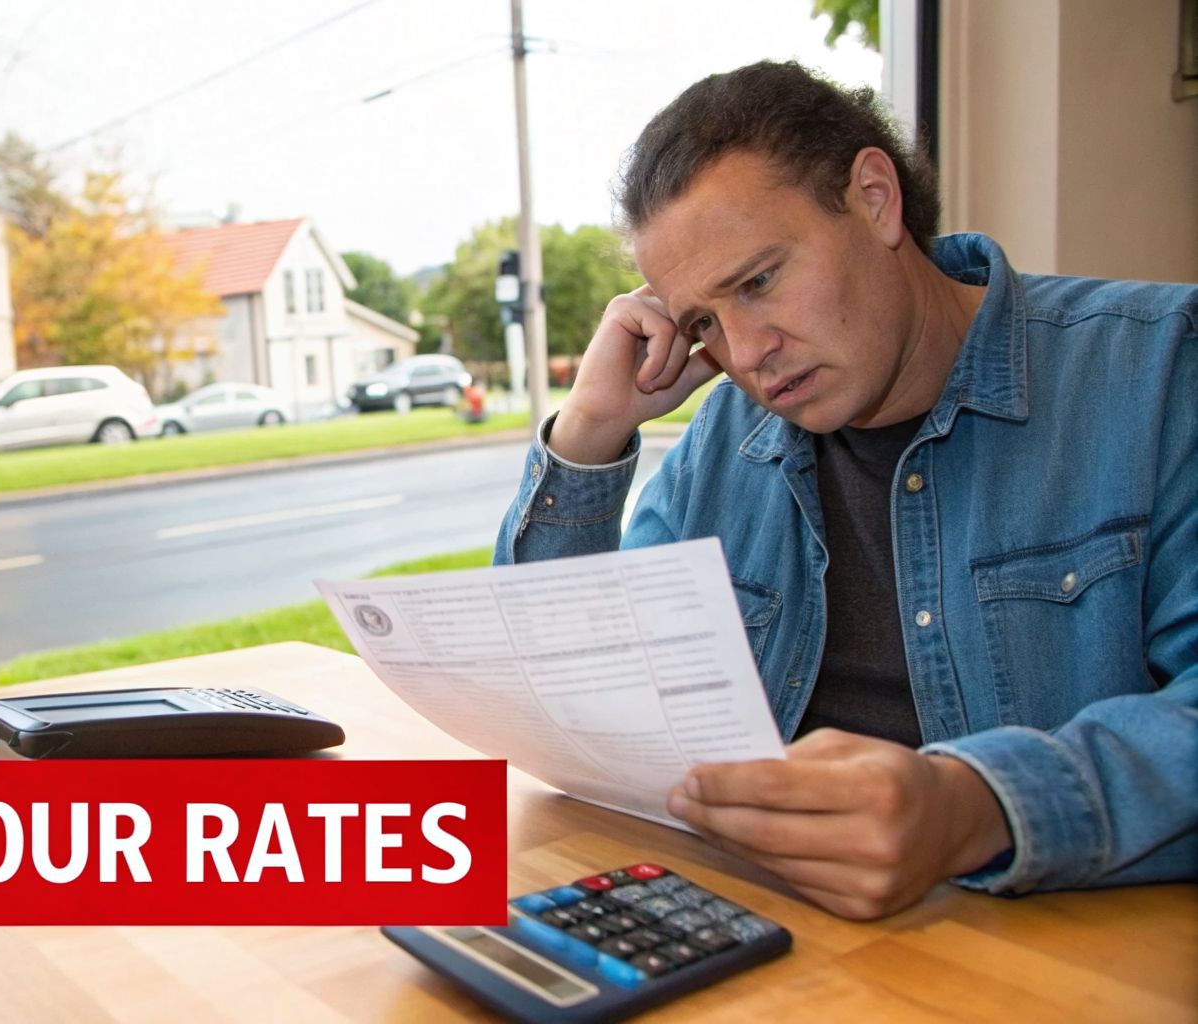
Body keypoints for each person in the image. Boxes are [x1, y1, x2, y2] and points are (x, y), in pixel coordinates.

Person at [494, 60, 1196, 920]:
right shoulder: (726, 440)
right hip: (774, 939)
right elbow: (579, 697)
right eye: (706, 323)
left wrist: (979, 806)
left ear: (873, 197)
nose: (747, 353)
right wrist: (590, 436)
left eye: (757, 281)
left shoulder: (1161, 371)